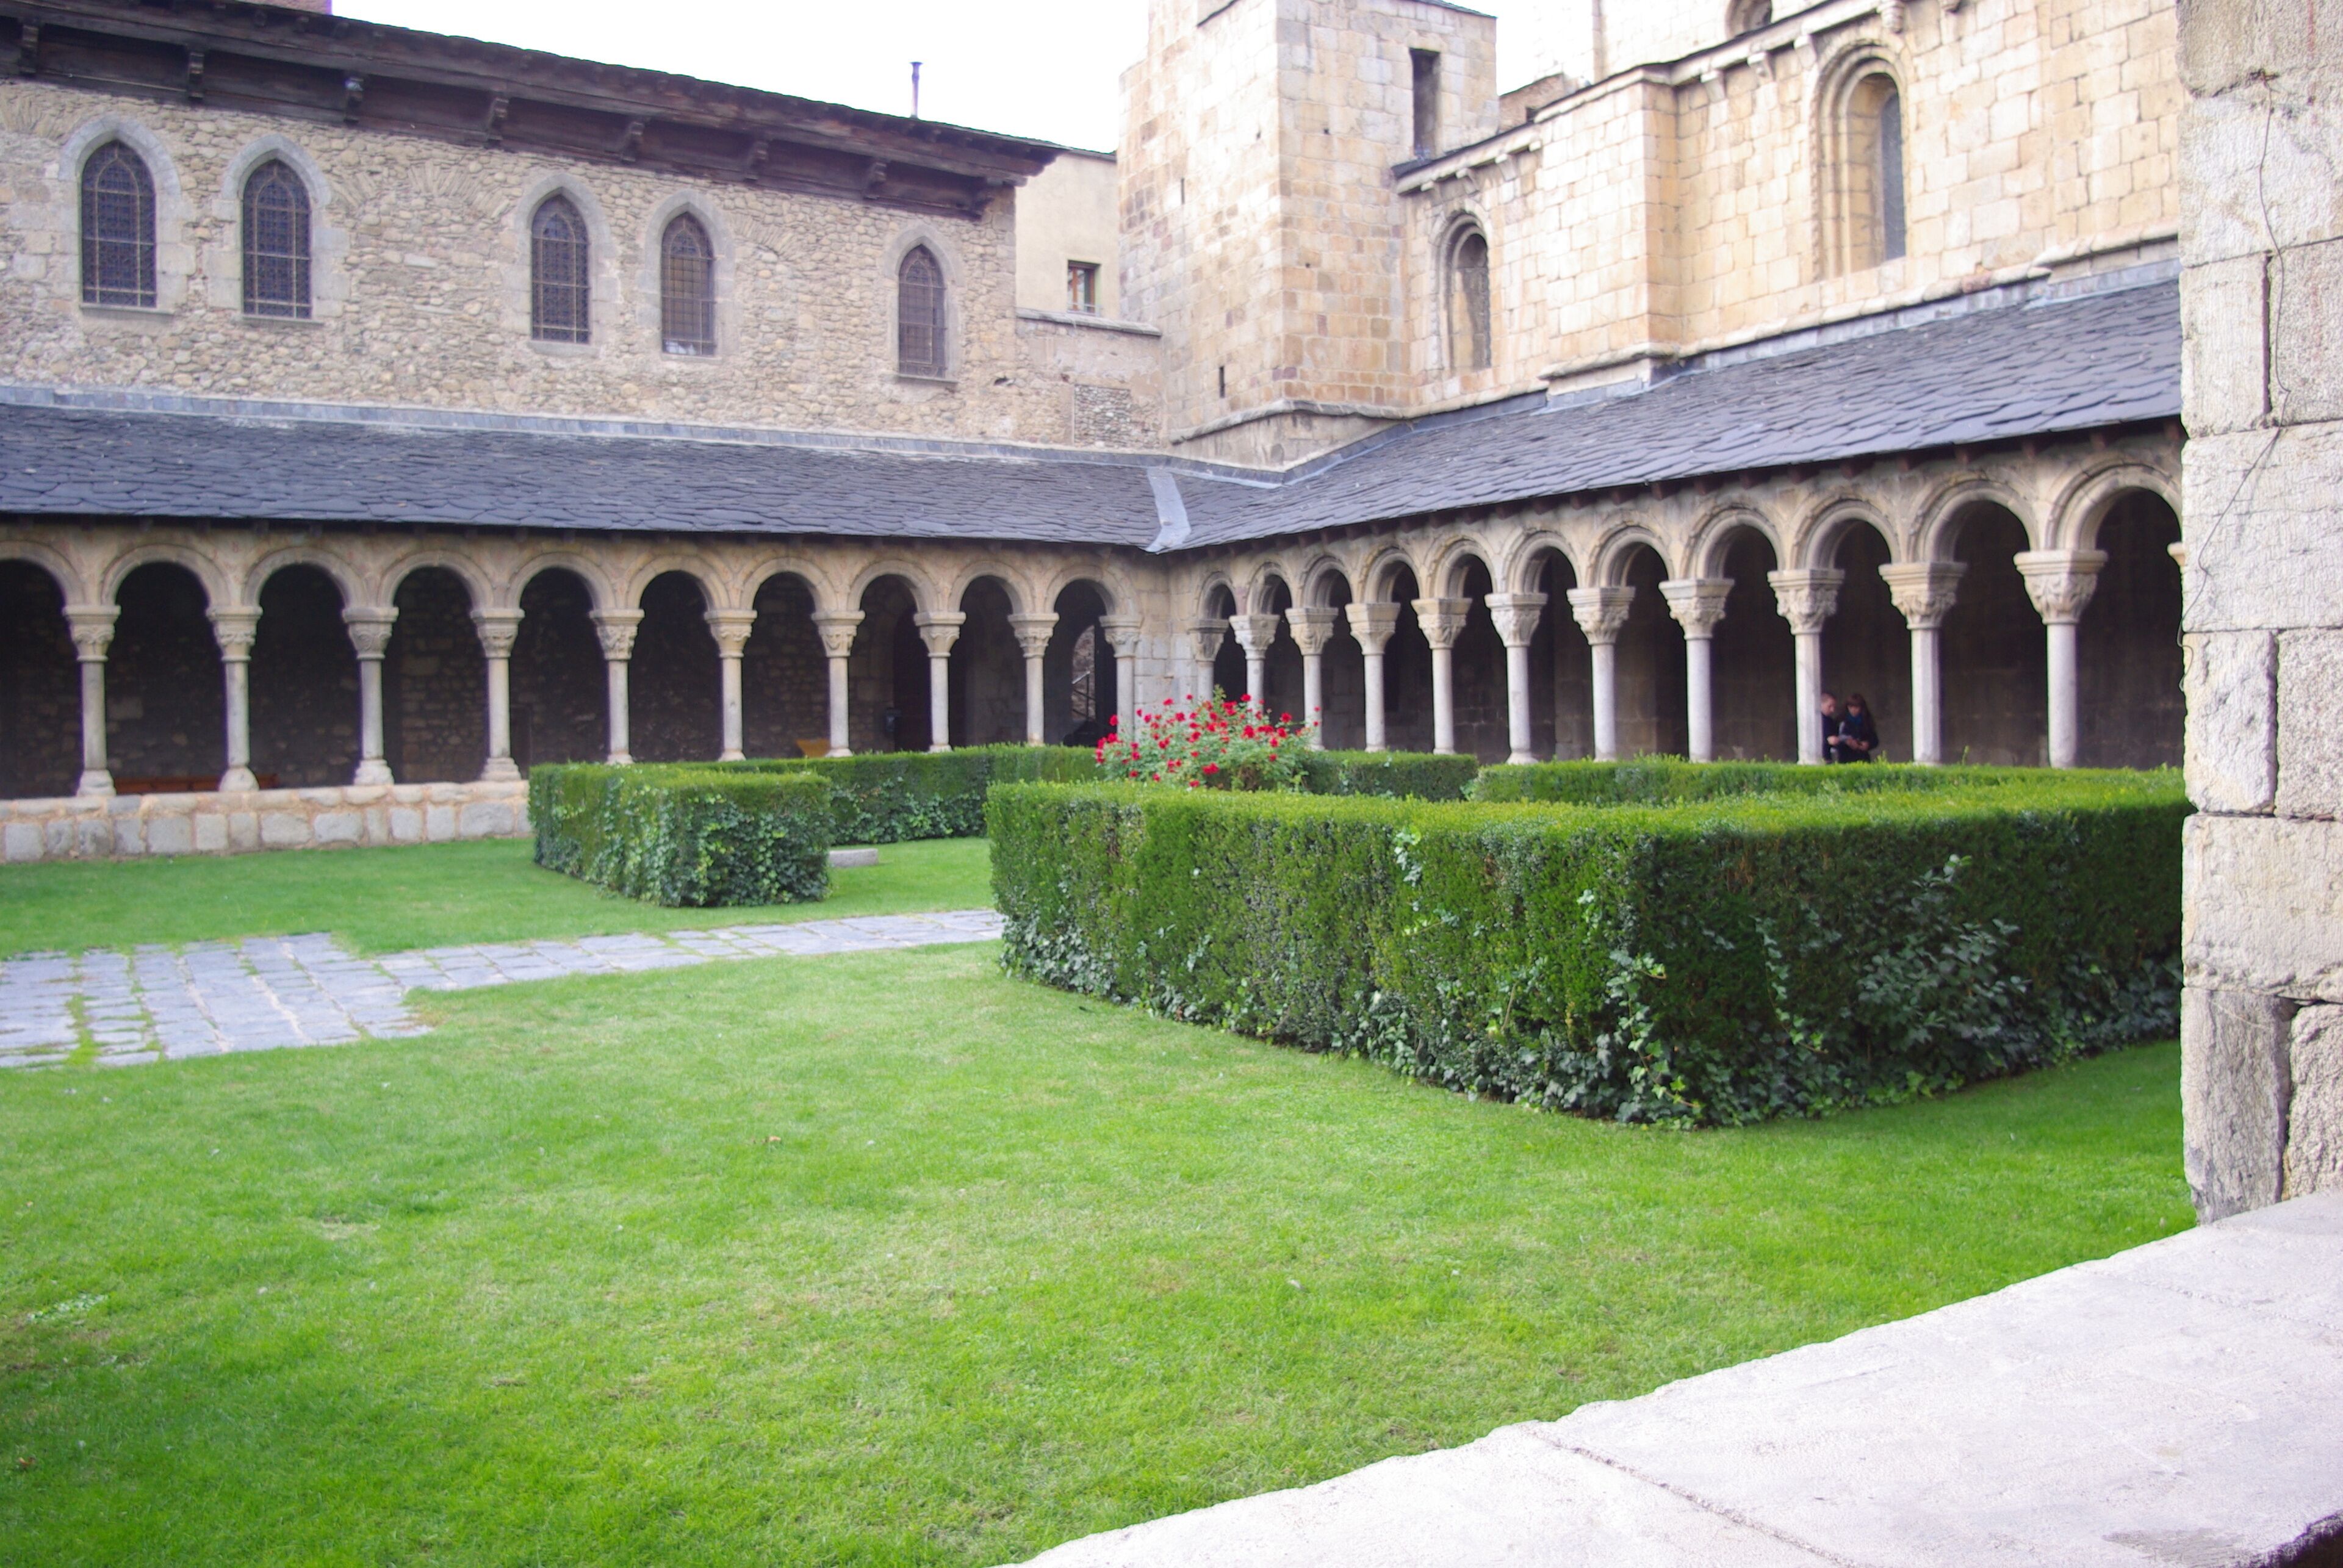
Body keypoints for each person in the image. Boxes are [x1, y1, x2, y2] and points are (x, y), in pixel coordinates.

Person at [1838, 692, 1881, 763]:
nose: (1853, 710)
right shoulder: (1841, 721)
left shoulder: (1867, 721)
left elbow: (1875, 740)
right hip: (1845, 758)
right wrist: (1847, 742)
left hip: (1863, 758)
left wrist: (1868, 744)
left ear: (1861, 708)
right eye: (1851, 707)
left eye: (1856, 707)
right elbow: (1835, 740)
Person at [1819, 692, 1846, 763]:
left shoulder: (1830, 721)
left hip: (1828, 757)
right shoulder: (1814, 721)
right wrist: (1827, 740)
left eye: (1834, 707)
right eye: (1830, 706)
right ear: (1821, 704)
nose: (1832, 710)